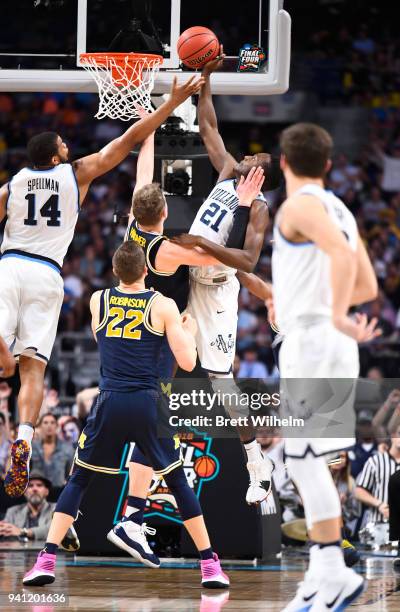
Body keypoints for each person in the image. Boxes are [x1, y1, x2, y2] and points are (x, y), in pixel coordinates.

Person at [0, 74, 204, 499]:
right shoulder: (76, 173)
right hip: (46, 274)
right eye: (62, 144)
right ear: (55, 158)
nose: (68, 147)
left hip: (9, 265)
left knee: (6, 366)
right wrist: (171, 104)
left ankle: (2, 356)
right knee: (32, 369)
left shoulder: (13, 184)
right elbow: (129, 139)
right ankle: (23, 437)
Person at [23, 241, 229, 589]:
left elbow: (104, 340)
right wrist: (187, 333)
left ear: (116, 271)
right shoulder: (162, 304)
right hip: (148, 402)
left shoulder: (97, 300)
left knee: (79, 480)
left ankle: (45, 559)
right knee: (178, 483)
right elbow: (189, 362)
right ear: (146, 271)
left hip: (109, 400)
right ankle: (209, 564)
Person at [270, 122, 379, 611]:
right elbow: (369, 287)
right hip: (329, 340)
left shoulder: (299, 205)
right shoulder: (342, 209)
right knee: (310, 462)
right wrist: (302, 302)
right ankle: (321, 572)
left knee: (303, 461)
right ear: (329, 164)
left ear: (284, 162)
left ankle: (331, 570)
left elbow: (336, 257)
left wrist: (327, 313)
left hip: (315, 339)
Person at [171, 50, 282, 504]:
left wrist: (200, 247)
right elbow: (210, 128)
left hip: (217, 288)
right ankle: (168, 455)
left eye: (254, 155)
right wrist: (206, 77)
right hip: (189, 272)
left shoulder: (257, 207)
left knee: (221, 383)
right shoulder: (226, 170)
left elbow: (247, 261)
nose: (246, 152)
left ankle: (257, 463)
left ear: (258, 174)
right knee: (164, 359)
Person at [0, 471, 79, 551]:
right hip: (18, 557)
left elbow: (55, 530)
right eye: (30, 486)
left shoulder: (57, 508)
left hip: (50, 554)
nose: (35, 489)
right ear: (24, 492)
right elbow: (6, 532)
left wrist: (23, 532)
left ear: (46, 491)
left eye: (39, 485)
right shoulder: (13, 511)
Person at [355, 422, 400, 527]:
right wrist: (379, 504)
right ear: (392, 436)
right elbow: (359, 491)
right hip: (379, 526)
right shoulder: (375, 461)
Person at [31, 413, 75, 489]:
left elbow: (71, 474)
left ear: (57, 426)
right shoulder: (32, 447)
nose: (49, 425)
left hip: (58, 492)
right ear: (40, 426)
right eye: (45, 422)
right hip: (37, 491)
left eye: (52, 422)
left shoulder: (67, 448)